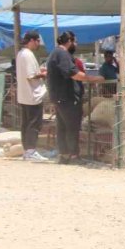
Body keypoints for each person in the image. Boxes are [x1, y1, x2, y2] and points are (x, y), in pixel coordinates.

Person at [45, 31, 105, 165]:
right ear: (69, 41)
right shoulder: (62, 54)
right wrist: (94, 78)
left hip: (59, 97)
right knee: (72, 127)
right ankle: (73, 156)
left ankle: (64, 155)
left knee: (63, 127)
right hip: (67, 97)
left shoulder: (55, 54)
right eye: (75, 42)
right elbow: (74, 74)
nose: (76, 45)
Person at [15, 31, 49, 162]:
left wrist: (39, 72)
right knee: (34, 124)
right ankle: (31, 151)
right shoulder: (28, 55)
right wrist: (44, 74)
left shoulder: (20, 54)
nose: (38, 44)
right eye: (38, 41)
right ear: (32, 40)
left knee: (26, 124)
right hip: (32, 95)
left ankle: (27, 150)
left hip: (24, 95)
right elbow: (31, 76)